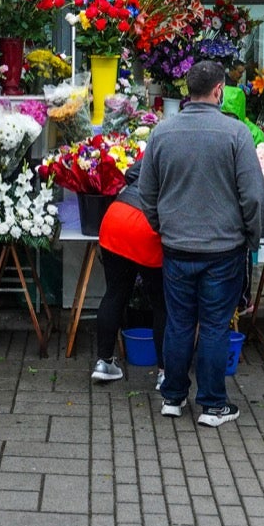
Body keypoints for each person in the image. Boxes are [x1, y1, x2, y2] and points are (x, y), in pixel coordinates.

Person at [138, 60, 264, 428]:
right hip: (223, 249)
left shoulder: (162, 132)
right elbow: (254, 197)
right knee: (213, 325)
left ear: (187, 91)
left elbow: (146, 192)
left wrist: (163, 226)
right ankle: (212, 405)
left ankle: (173, 398)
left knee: (179, 322)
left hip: (177, 246)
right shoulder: (236, 133)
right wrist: (251, 237)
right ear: (219, 91)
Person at [91, 161, 167, 387]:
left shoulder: (161, 140)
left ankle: (104, 363)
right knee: (162, 304)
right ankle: (165, 373)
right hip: (147, 225)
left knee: (115, 293)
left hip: (116, 216)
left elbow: (130, 173)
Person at [221, 59, 264, 144]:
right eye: (240, 72)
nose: (241, 75)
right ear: (232, 70)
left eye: (242, 73)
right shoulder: (223, 84)